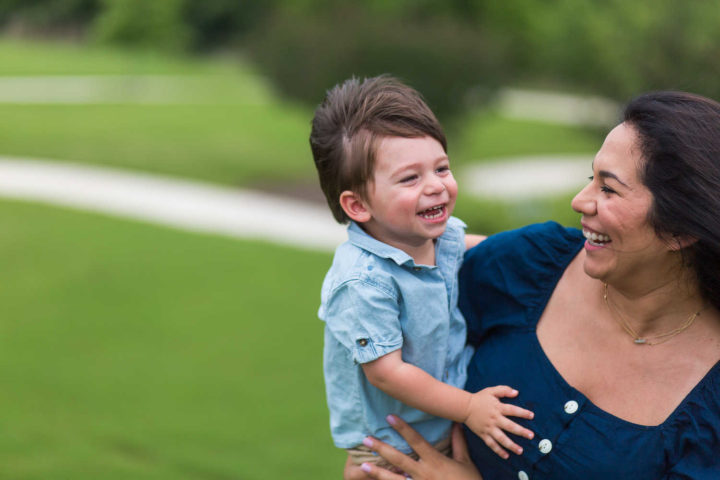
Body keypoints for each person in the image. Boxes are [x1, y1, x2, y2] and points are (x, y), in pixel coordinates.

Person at [348, 91, 720, 479]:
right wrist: (367, 452)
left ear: (680, 230)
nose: (580, 201)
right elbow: (390, 310)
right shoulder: (528, 265)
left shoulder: (711, 406)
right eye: (590, 178)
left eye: (608, 189)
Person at [309, 75, 535, 469]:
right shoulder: (363, 282)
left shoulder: (437, 235)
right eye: (411, 178)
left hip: (443, 423)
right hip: (390, 448)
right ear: (359, 205)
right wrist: (468, 407)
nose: (437, 186)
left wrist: (541, 251)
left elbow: (481, 249)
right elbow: (388, 374)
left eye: (442, 168)